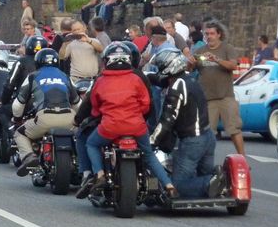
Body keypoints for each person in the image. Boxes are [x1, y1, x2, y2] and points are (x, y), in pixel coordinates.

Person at [76, 42, 178, 199]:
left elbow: (95, 106)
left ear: (107, 60)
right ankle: (168, 185)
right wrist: (138, 116)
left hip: (110, 126)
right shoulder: (137, 78)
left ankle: (100, 174)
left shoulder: (101, 80)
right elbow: (146, 104)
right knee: (149, 154)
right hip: (137, 126)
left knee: (91, 144)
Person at [150, 49, 224, 198]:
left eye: (160, 67)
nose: (159, 71)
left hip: (192, 141)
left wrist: (152, 141)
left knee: (176, 187)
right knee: (203, 176)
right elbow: (161, 80)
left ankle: (210, 182)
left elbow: (167, 120)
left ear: (169, 66)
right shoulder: (191, 79)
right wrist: (148, 77)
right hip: (208, 136)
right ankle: (216, 181)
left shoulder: (177, 86)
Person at [12, 48, 79, 176]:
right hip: (69, 118)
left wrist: (17, 119)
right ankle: (79, 161)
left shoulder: (32, 76)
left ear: (37, 62)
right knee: (81, 137)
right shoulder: (65, 76)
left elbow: (18, 105)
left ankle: (29, 156)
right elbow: (77, 103)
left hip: (45, 118)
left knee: (19, 134)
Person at [192, 21, 245, 155]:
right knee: (207, 133)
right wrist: (190, 63)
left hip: (226, 96)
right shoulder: (200, 51)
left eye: (212, 33)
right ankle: (206, 163)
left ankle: (242, 159)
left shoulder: (227, 48)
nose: (209, 36)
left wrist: (216, 59)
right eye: (207, 34)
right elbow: (191, 69)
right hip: (207, 98)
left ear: (219, 34)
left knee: (234, 129)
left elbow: (233, 66)